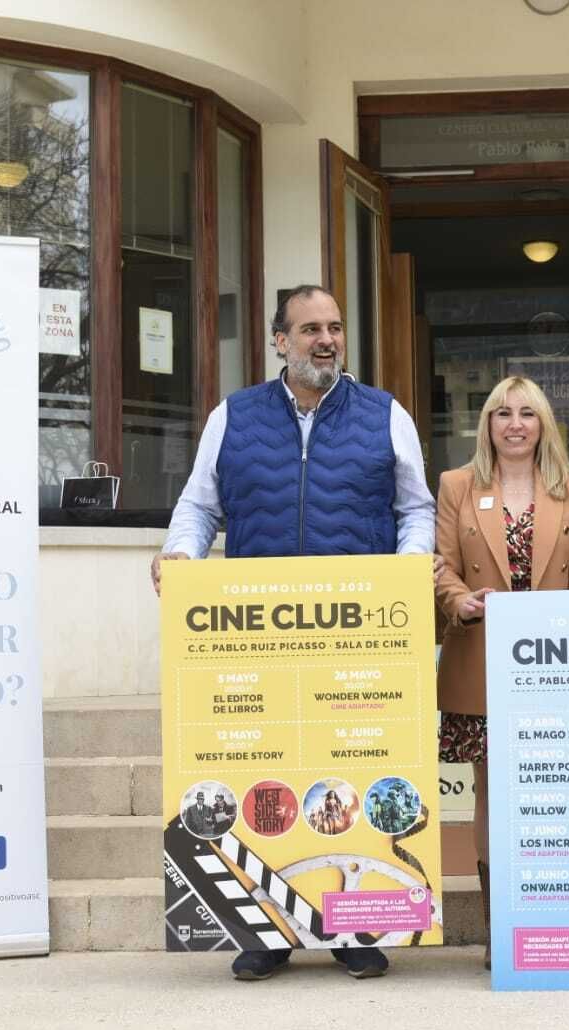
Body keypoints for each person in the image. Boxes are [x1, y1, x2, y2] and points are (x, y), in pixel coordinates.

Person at [152, 284, 435, 982]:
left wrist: (404, 574)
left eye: (335, 327)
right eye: (310, 328)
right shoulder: (234, 416)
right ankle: (264, 931)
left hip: (358, 636)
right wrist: (181, 555)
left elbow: (416, 511)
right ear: (280, 340)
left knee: (353, 772)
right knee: (263, 776)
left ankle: (355, 928)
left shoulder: (385, 414)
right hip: (260, 638)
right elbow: (199, 505)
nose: (326, 339)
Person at [433, 375, 569, 969]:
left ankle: (551, 919)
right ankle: (498, 925)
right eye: (501, 413)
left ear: (543, 425)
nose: (514, 424)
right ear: (486, 425)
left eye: (527, 414)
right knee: (492, 796)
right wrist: (458, 601)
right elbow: (443, 568)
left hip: (552, 666)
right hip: (481, 657)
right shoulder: (457, 484)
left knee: (552, 793)